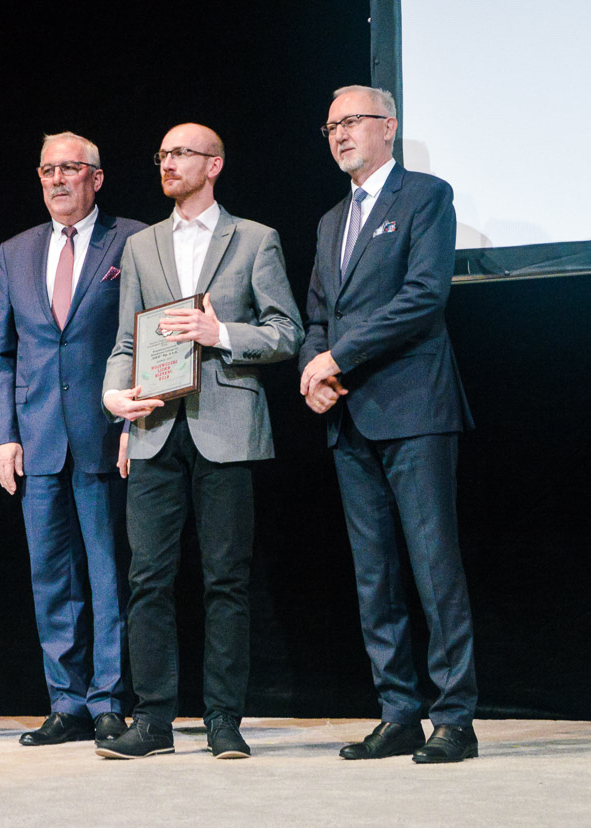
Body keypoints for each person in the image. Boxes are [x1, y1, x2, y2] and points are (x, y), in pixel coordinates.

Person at [98, 123, 303, 759]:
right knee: (147, 579)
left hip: (226, 428)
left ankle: (223, 720)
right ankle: (152, 721)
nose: (167, 163)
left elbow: (287, 331)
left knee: (226, 580)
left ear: (214, 165)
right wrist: (114, 398)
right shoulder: (141, 246)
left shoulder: (255, 239)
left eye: (181, 153)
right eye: (162, 154)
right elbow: (127, 341)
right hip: (155, 427)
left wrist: (222, 335)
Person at [299, 85, 478, 763]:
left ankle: (454, 718)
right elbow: (318, 315)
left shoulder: (426, 196)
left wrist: (338, 357)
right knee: (373, 574)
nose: (341, 134)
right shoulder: (330, 221)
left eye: (352, 121)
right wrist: (313, 371)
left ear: (389, 126)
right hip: (349, 415)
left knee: (434, 567)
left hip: (414, 409)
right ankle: (398, 712)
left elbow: (423, 297)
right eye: (331, 126)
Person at [0, 133, 146, 747]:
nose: (57, 179)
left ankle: (108, 701)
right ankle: (66, 702)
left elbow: (148, 336)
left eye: (70, 168)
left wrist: (133, 424)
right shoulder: (16, 251)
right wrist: (3, 435)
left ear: (95, 178)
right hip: (38, 438)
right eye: (48, 169)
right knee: (51, 577)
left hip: (104, 434)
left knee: (108, 575)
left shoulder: (132, 240)